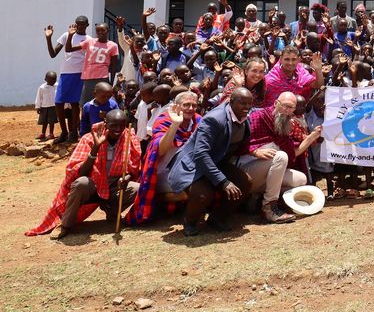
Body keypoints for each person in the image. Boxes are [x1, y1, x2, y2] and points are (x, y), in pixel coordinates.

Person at [27, 109, 141, 238]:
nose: (118, 129)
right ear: (105, 123)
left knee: (137, 188)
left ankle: (113, 213)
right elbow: (80, 172)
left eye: (122, 125)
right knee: (81, 183)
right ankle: (65, 225)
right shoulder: (89, 138)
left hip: (114, 185)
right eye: (114, 125)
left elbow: (133, 168)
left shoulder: (130, 139)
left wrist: (126, 178)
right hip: (92, 185)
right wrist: (96, 148)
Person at [167, 88, 255, 236]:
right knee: (202, 195)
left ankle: (218, 218)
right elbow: (201, 154)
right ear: (231, 101)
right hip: (193, 165)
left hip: (216, 161)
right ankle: (190, 222)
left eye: (249, 104)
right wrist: (223, 181)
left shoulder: (244, 117)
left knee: (245, 182)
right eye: (243, 103)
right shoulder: (214, 119)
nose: (246, 107)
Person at [240, 91, 322, 224]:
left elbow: (293, 153)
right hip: (246, 172)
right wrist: (254, 152)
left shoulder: (285, 124)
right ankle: (269, 208)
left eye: (291, 108)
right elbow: (239, 143)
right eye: (284, 106)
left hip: (266, 174)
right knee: (281, 156)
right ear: (275, 103)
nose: (287, 110)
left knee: (301, 179)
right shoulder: (259, 116)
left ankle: (258, 198)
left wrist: (312, 136)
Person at [126, 91, 201, 225]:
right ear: (176, 106)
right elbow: (159, 150)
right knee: (195, 189)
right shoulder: (163, 119)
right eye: (186, 105)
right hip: (163, 173)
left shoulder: (199, 120)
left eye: (194, 105)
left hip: (188, 170)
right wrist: (175, 124)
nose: (191, 109)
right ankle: (159, 200)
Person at [45, 18, 88, 143]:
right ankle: (64, 132)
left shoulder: (88, 39)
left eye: (82, 25)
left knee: (74, 103)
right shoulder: (66, 35)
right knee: (58, 102)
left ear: (87, 25)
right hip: (65, 73)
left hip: (78, 72)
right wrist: (48, 38)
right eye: (78, 24)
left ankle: (73, 132)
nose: (80, 26)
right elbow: (53, 54)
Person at [64, 21, 119, 109]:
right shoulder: (89, 41)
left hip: (102, 77)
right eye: (98, 31)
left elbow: (113, 66)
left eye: (102, 30)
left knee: (102, 103)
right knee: (86, 104)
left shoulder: (113, 46)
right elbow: (68, 49)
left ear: (107, 31)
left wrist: (111, 82)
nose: (100, 33)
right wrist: (70, 35)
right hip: (88, 77)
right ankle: (86, 121)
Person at [35, 71, 58, 141]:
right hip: (44, 107)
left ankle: (51, 133)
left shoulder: (57, 85)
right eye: (51, 80)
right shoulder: (42, 88)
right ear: (45, 79)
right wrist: (38, 106)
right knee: (44, 121)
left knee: (51, 121)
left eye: (54, 80)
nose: (52, 82)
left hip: (53, 106)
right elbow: (39, 97)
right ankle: (43, 133)